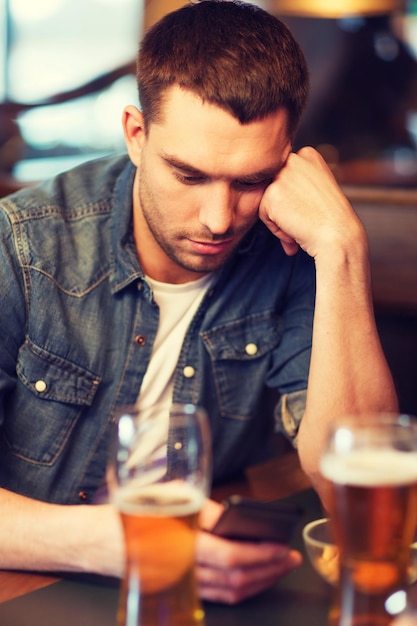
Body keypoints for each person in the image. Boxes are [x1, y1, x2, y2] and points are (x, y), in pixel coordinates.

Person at [0, 0, 397, 605]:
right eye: (188, 176)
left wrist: (343, 249)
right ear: (136, 135)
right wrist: (118, 540)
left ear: (287, 157)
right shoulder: (23, 244)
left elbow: (349, 482)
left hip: (195, 592)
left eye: (251, 180)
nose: (218, 220)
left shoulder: (294, 250)